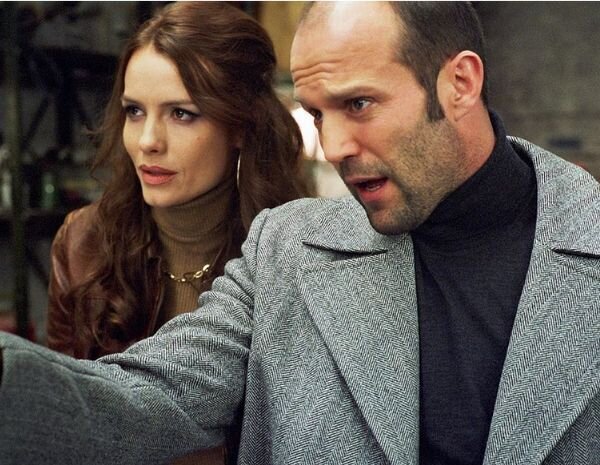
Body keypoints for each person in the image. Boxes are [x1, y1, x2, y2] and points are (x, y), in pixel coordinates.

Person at [0, 2, 598, 464]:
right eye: (316, 114)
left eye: (357, 104)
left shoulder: (582, 242)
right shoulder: (286, 247)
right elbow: (160, 393)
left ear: (459, 83)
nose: (333, 147)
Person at [44, 1, 306, 464]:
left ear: (241, 124)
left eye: (181, 113)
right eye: (134, 111)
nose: (148, 141)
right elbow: (65, 421)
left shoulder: (291, 251)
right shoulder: (84, 242)